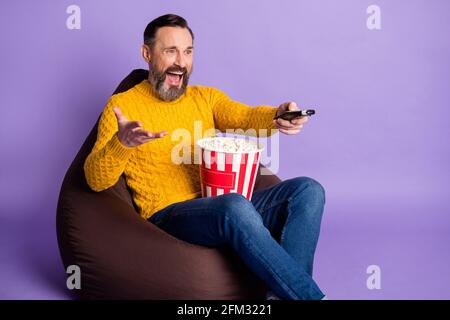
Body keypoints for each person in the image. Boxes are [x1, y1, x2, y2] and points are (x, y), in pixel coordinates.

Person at [84, 14, 326, 300]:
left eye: (187, 51)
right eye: (170, 50)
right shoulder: (122, 105)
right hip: (168, 216)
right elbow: (95, 180)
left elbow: (245, 116)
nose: (180, 62)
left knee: (308, 190)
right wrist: (121, 143)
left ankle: (284, 294)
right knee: (235, 205)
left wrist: (277, 116)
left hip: (218, 207)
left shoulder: (205, 98)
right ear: (147, 54)